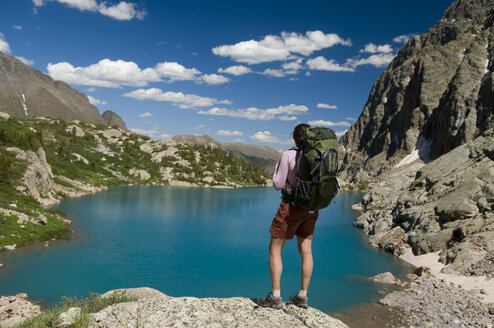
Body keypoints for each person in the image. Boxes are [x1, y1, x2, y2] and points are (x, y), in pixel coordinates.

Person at [253, 123, 317, 309]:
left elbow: (278, 184)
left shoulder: (289, 155)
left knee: (275, 249)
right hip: (312, 209)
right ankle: (302, 296)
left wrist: (277, 169)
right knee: (306, 250)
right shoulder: (319, 155)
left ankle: (275, 297)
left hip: (292, 207)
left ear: (295, 138)